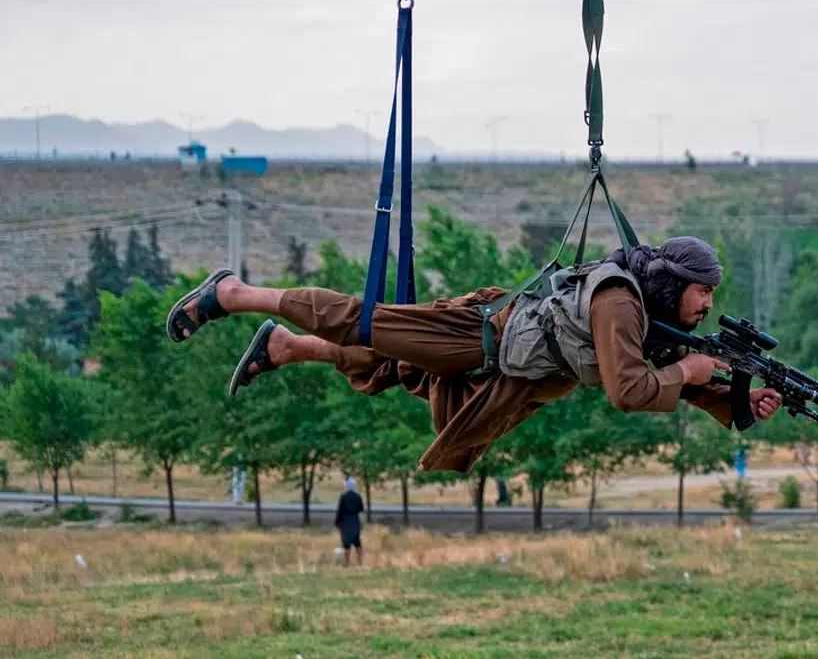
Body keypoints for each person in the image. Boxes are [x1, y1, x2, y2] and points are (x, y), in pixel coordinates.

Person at [166, 236, 782, 474]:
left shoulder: (646, 317)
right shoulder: (621, 302)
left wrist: (738, 402)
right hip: (478, 336)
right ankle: (235, 293)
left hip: (503, 369)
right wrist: (693, 372)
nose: (707, 305)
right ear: (676, 282)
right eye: (704, 292)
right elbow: (631, 391)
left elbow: (668, 373)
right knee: (365, 322)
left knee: (391, 369)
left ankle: (286, 345)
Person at [335, 477, 364, 566]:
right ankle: (359, 562)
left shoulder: (343, 497)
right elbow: (361, 509)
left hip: (345, 521)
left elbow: (340, 510)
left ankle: (347, 562)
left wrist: (337, 522)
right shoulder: (358, 496)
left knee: (346, 543)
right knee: (357, 542)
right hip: (355, 520)